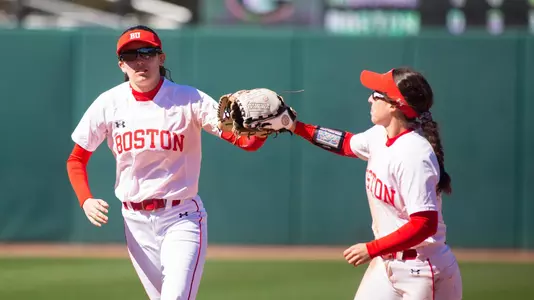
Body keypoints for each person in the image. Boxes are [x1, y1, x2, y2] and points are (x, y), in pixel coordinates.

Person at [66, 25, 268, 300]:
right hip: (134, 221)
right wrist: (85, 199)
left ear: (161, 58)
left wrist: (262, 129)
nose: (140, 61)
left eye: (147, 52)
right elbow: (76, 159)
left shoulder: (189, 99)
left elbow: (245, 142)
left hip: (181, 216)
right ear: (121, 65)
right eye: (130, 55)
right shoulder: (109, 103)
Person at [289, 67, 462, 299]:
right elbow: (345, 143)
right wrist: (293, 126)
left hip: (421, 271)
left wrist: (371, 249)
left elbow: (424, 224)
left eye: (377, 93)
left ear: (394, 104)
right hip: (386, 263)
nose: (370, 98)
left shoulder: (414, 154)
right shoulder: (380, 135)